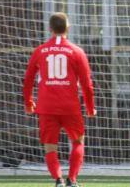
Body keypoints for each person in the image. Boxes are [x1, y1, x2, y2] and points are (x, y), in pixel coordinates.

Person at [23, 12, 96, 187]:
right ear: (68, 28)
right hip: (70, 106)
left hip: (46, 106)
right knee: (78, 141)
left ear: (50, 29)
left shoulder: (40, 50)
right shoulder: (77, 51)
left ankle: (58, 180)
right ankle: (72, 179)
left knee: (50, 146)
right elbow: (87, 84)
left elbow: (28, 80)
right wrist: (90, 106)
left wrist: (28, 102)